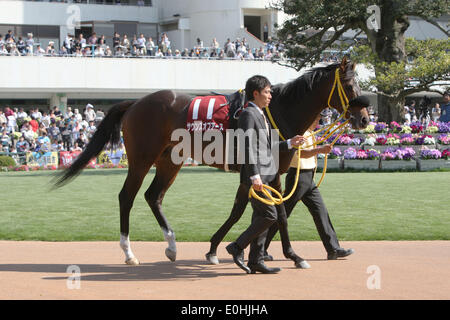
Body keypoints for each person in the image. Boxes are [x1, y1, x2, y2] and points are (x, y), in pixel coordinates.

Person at [225, 75, 306, 274]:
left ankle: (256, 260)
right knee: (270, 215)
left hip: (268, 174)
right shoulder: (248, 115)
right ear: (256, 93)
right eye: (267, 92)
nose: (270, 96)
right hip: (258, 176)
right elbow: (248, 148)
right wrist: (255, 177)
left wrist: (289, 143)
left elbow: (266, 146)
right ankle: (237, 247)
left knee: (261, 216)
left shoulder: (261, 114)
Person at [263, 113, 354, 261]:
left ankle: (333, 249)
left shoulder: (310, 132)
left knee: (321, 211)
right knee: (282, 214)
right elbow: (301, 153)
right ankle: (260, 248)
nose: (318, 120)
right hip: (298, 177)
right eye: (317, 118)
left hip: (308, 179)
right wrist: (320, 150)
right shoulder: (301, 133)